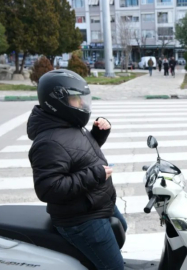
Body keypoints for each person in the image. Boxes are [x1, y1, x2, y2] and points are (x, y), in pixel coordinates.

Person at [27, 69, 127, 270]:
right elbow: (49, 188)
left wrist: (98, 135)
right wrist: (95, 175)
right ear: (57, 101)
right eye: (76, 99)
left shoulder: (67, 123)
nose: (81, 104)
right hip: (81, 219)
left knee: (121, 228)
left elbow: (76, 154)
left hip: (95, 204)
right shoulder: (48, 142)